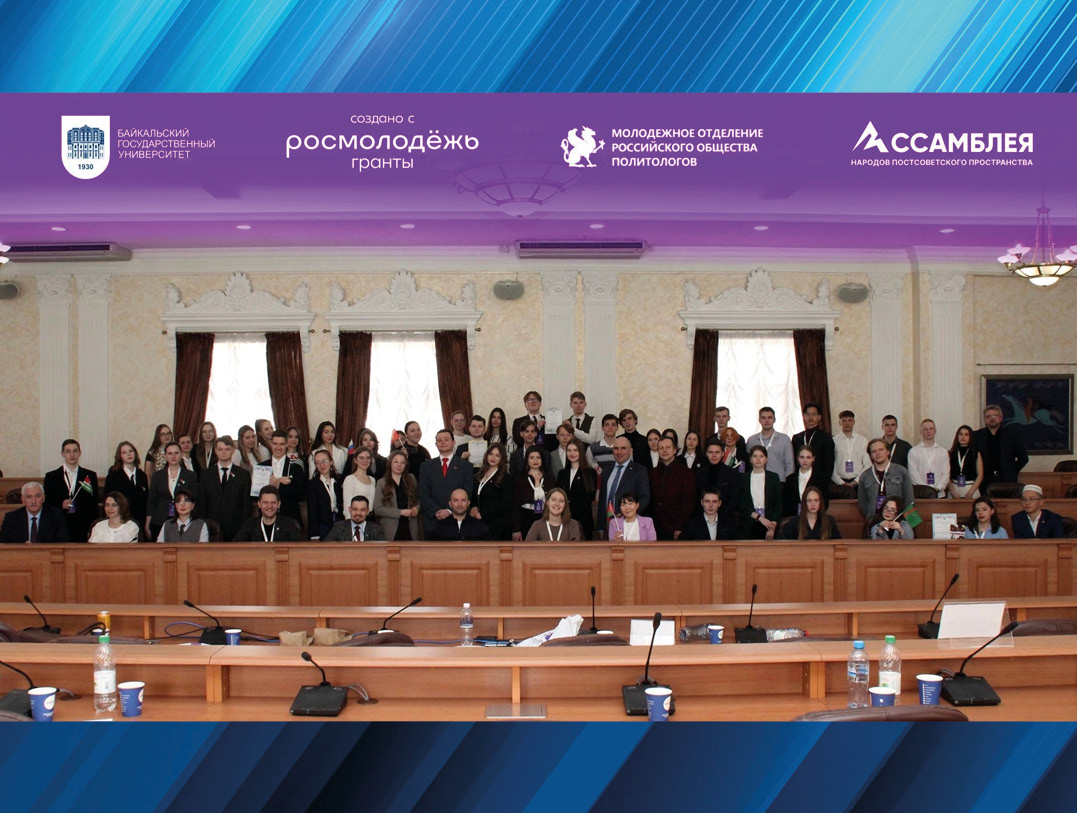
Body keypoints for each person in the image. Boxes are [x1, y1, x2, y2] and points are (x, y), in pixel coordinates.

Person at [418, 429, 475, 535]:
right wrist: (436, 511)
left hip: (457, 518)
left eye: (446, 439)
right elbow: (423, 492)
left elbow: (468, 491)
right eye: (439, 440)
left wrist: (449, 511)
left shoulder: (465, 466)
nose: (443, 442)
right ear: (436, 444)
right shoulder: (426, 466)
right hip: (433, 520)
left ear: (453, 442)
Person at [197, 436, 252, 542]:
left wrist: (243, 530)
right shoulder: (206, 474)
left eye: (227, 449)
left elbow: (246, 506)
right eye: (220, 449)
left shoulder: (243, 475)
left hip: (236, 530)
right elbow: (202, 504)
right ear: (215, 451)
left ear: (233, 451)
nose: (223, 452)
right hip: (212, 529)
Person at [44, 438, 99, 542]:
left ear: (80, 453)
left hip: (82, 525)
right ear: (62, 454)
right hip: (59, 525)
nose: (72, 454)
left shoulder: (90, 475)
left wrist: (92, 528)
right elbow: (48, 502)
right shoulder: (51, 477)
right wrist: (61, 504)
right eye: (68, 451)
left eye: (75, 451)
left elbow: (93, 503)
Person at [597, 436, 651, 535]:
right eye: (616, 448)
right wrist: (599, 527)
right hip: (606, 526)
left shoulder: (640, 471)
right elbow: (602, 501)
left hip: (630, 526)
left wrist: (629, 515)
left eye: (623, 448)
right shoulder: (606, 472)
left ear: (630, 451)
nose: (619, 452)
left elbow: (645, 498)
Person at [146, 441, 199, 541]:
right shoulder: (157, 475)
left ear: (181, 455)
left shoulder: (190, 475)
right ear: (165, 456)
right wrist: (147, 523)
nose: (173, 456)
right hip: (159, 520)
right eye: (170, 453)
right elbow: (152, 500)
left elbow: (194, 499)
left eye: (176, 453)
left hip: (183, 519)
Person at [649, 436, 696, 539]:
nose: (664, 450)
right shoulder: (652, 473)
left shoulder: (687, 473)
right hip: (655, 527)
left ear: (674, 450)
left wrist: (680, 527)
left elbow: (688, 503)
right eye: (661, 448)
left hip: (676, 527)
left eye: (668, 447)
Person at [858, 438, 915, 521]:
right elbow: (862, 505)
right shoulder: (864, 476)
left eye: (881, 450)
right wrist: (871, 520)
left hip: (898, 522)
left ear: (888, 452)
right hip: (875, 522)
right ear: (870, 455)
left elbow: (909, 500)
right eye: (874, 451)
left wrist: (909, 524)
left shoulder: (902, 472)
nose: (877, 453)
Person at [974, 404, 1029, 490]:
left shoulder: (1012, 435)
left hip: (1006, 479)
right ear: (984, 419)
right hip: (984, 480)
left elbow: (1023, 458)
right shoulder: (977, 436)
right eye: (988, 416)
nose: (992, 419)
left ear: (1001, 418)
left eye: (995, 416)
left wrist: (1012, 471)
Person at [257, 430, 308, 524]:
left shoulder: (296, 465)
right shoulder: (261, 467)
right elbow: (256, 495)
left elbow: (301, 493)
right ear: (271, 444)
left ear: (287, 444)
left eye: (282, 444)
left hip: (290, 517)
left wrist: (279, 486)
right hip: (266, 519)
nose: (278, 447)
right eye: (275, 444)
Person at [373, 450, 421, 541]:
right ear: (390, 463)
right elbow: (378, 509)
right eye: (396, 462)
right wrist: (401, 512)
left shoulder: (411, 479)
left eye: (402, 462)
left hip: (410, 526)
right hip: (390, 528)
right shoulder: (382, 482)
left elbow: (418, 499)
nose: (399, 465)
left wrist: (416, 508)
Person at [695, 440, 741, 536]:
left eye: (717, 452)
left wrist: (720, 516)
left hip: (726, 520)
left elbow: (734, 498)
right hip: (702, 521)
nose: (714, 455)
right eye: (711, 452)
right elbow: (696, 497)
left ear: (723, 453)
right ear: (706, 454)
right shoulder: (699, 474)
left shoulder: (732, 474)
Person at [0, 482, 70, 544]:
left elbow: (62, 541)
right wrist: (22, 548)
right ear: (23, 500)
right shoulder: (11, 518)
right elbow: (3, 543)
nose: (33, 501)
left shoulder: (56, 515)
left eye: (37, 496)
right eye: (29, 497)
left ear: (43, 498)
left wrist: (37, 549)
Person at [557, 438, 598, 540]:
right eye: (569, 450)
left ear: (581, 452)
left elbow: (589, 497)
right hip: (564, 520)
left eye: (575, 450)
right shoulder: (562, 474)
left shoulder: (590, 473)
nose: (572, 453)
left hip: (584, 521)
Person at [472, 443, 514, 541]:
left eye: (497, 455)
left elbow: (506, 503)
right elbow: (474, 495)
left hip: (497, 526)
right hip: (479, 523)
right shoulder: (479, 474)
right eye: (491, 454)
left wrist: (483, 514)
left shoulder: (506, 478)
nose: (493, 458)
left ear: (502, 458)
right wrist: (474, 507)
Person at [103, 441, 149, 531]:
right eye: (124, 452)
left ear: (135, 453)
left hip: (140, 520)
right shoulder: (113, 475)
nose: (128, 454)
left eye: (130, 451)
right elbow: (107, 498)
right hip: (121, 520)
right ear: (120, 456)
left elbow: (146, 499)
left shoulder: (142, 475)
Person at [233, 486, 305, 542]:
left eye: (273, 503)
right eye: (265, 503)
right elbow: (236, 546)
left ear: (279, 504)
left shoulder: (289, 525)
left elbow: (297, 550)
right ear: (259, 504)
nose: (269, 506)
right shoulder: (250, 525)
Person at [741, 445, 783, 540]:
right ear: (750, 459)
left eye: (761, 456)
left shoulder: (774, 477)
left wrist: (772, 526)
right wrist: (758, 517)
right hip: (749, 524)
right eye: (755, 456)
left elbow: (778, 503)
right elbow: (741, 504)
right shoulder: (743, 478)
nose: (758, 459)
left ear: (766, 459)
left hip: (770, 523)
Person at [792, 403, 835, 484]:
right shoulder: (797, 438)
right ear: (804, 416)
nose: (810, 417)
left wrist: (824, 481)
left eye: (814, 414)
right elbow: (793, 461)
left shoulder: (826, 437)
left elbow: (829, 463)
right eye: (808, 414)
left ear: (819, 417)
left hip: (819, 480)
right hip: (800, 479)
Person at [746, 407, 795, 479]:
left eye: (769, 417)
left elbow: (790, 464)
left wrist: (788, 481)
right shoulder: (752, 440)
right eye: (763, 418)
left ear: (774, 419)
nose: (766, 420)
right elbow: (748, 464)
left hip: (779, 481)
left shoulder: (784, 439)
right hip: (756, 481)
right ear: (759, 420)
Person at [514, 447, 551, 539]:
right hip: (525, 517)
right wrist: (516, 529)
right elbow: (515, 506)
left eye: (538, 457)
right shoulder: (520, 479)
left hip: (545, 516)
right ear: (527, 460)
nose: (535, 461)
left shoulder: (549, 479)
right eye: (531, 457)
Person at [307, 448, 344, 539]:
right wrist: (315, 534)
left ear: (331, 461)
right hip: (322, 526)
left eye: (324, 461)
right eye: (318, 463)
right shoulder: (313, 484)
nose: (321, 465)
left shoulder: (338, 480)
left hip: (339, 523)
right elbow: (312, 511)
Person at [908, 419, 950, 498]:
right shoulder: (913, 451)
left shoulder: (943, 452)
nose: (928, 431)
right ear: (921, 432)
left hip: (940, 494)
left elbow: (946, 474)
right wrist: (926, 491)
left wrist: (937, 488)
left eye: (931, 429)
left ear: (935, 431)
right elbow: (913, 474)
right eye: (925, 429)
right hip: (921, 495)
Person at [783, 445, 830, 514]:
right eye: (802, 457)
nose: (805, 460)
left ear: (813, 459)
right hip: (793, 517)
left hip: (814, 516)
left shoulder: (821, 479)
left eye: (808, 457)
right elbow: (786, 502)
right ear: (797, 458)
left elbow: (824, 502)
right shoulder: (790, 479)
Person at [832, 410, 870, 491]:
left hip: (859, 482)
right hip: (839, 483)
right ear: (840, 423)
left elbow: (868, 464)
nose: (847, 423)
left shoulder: (863, 440)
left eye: (850, 420)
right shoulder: (833, 441)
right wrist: (841, 482)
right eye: (844, 420)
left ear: (854, 422)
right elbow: (831, 465)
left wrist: (856, 481)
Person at [948, 425, 984, 499]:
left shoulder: (976, 453)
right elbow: (946, 474)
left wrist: (970, 492)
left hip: (971, 488)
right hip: (954, 488)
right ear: (957, 436)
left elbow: (980, 475)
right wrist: (952, 491)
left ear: (970, 437)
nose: (963, 437)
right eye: (961, 434)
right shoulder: (951, 453)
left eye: (966, 434)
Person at [342, 448, 377, 515]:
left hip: (370, 518)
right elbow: (347, 507)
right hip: (356, 517)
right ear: (355, 460)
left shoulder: (372, 480)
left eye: (368, 458)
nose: (365, 461)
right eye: (361, 458)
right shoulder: (350, 479)